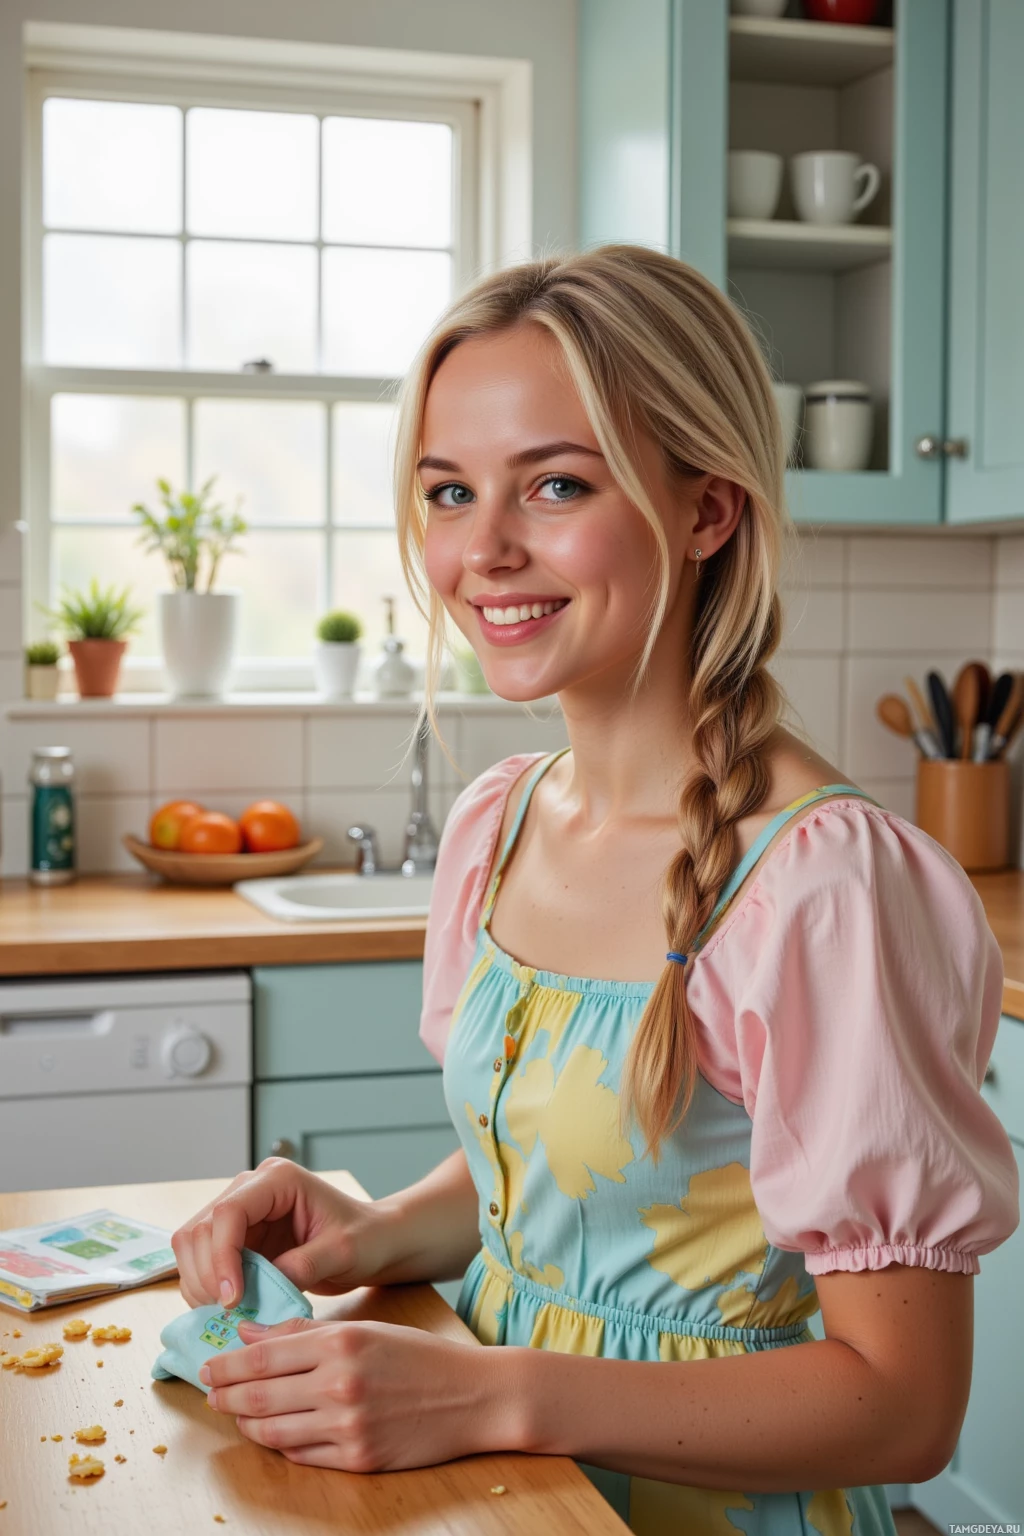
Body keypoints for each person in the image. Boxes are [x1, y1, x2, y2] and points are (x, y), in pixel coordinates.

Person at [171, 246, 1019, 1533]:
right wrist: (373, 1232)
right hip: (512, 1502)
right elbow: (590, 1189)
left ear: (706, 509)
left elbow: (903, 1410)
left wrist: (487, 1396)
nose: (485, 551)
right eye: (448, 493)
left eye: (555, 485)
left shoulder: (822, 887)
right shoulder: (498, 824)